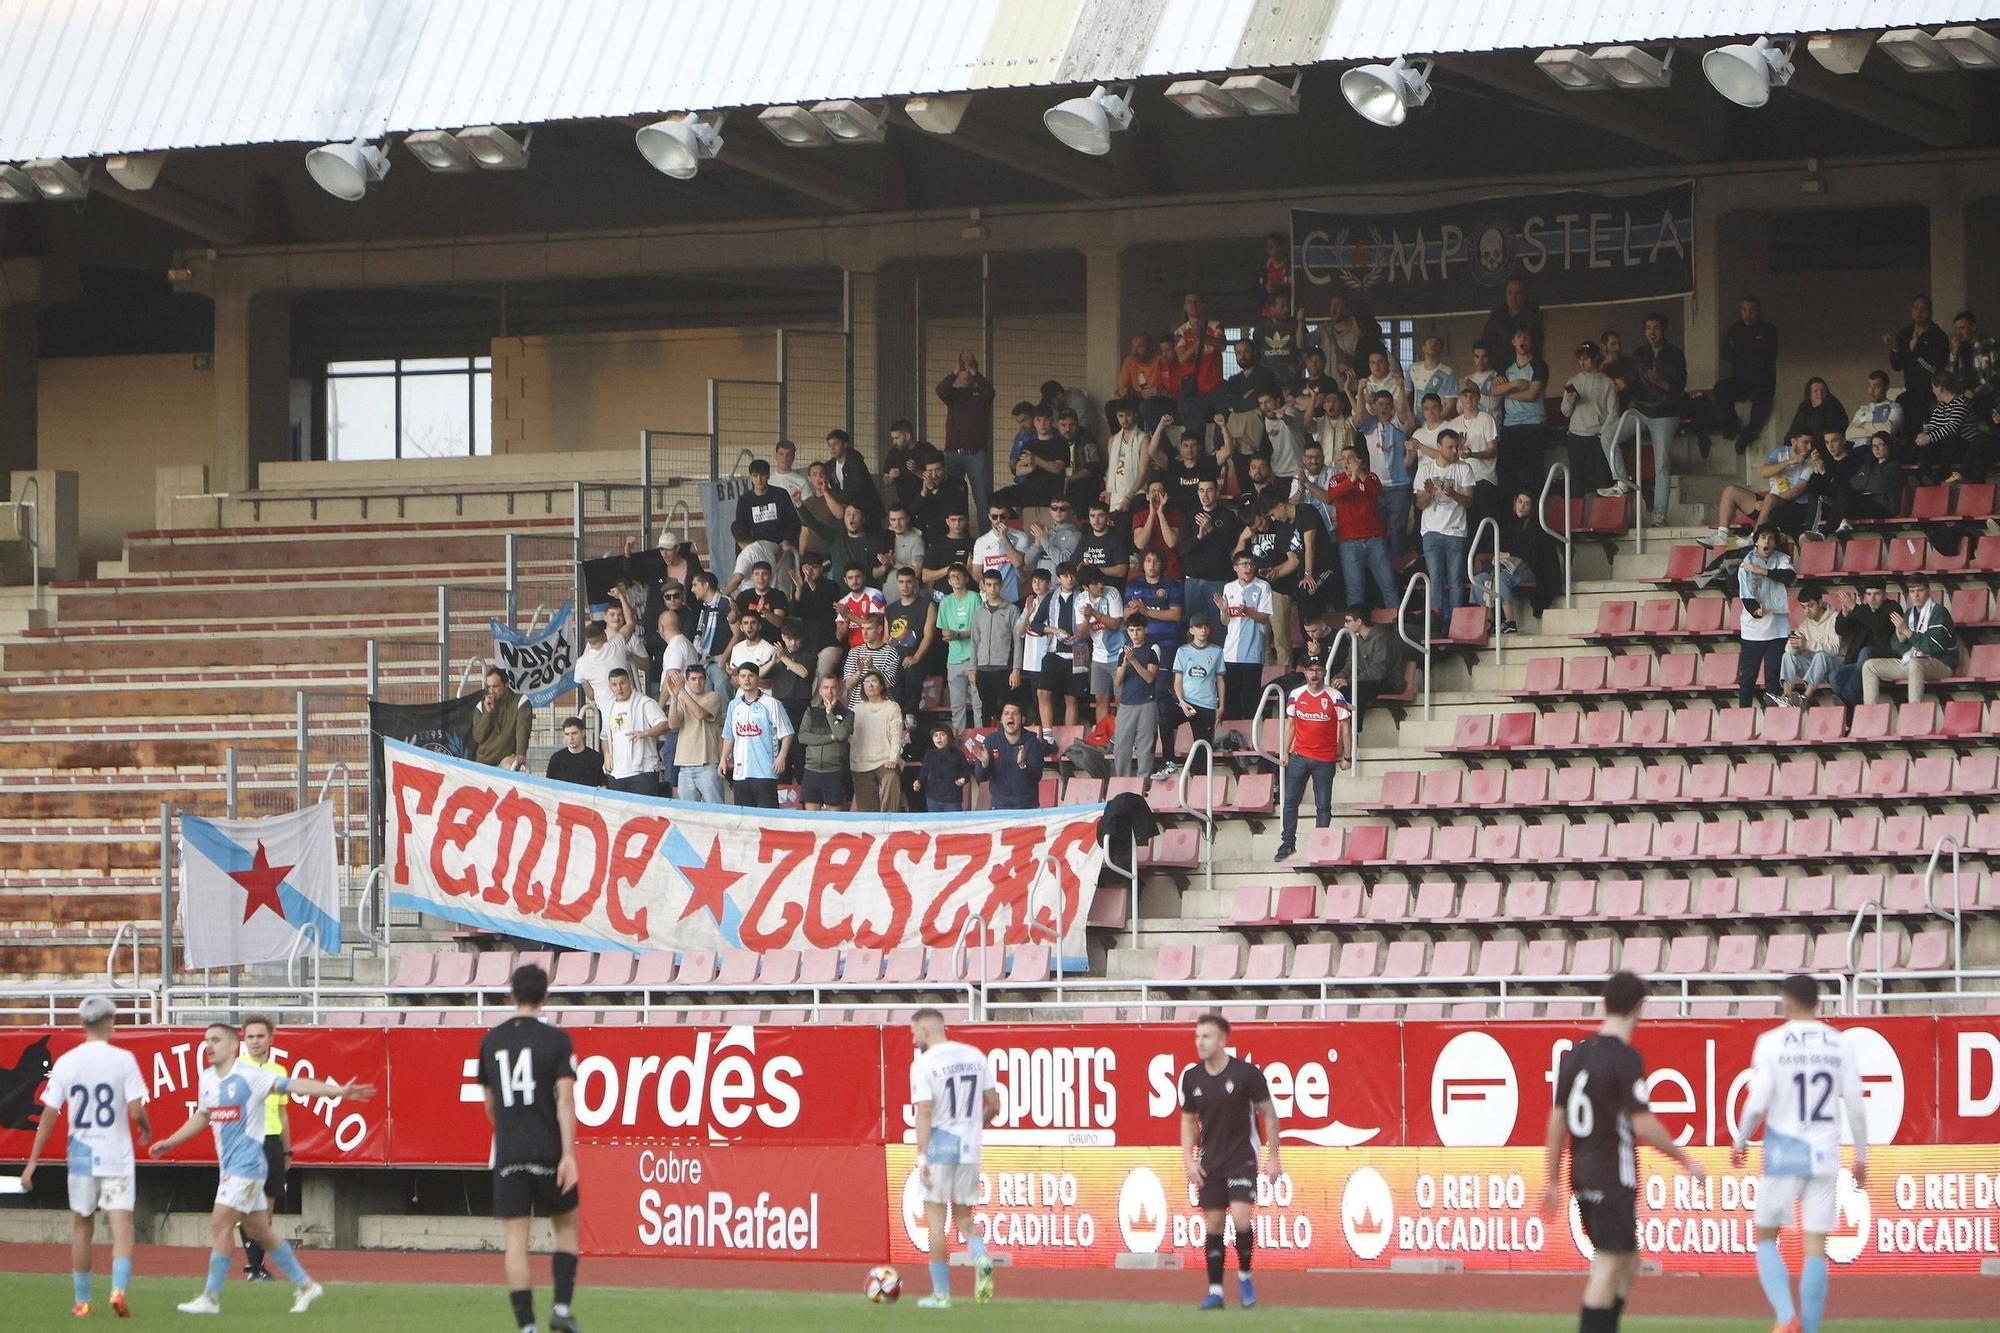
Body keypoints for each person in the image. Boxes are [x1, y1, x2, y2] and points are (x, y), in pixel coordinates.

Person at [147, 1023, 372, 1316]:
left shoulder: (251, 1076)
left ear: (232, 1046)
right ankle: (305, 1285)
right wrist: (171, 1141)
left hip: (248, 1166)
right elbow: (204, 1115)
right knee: (258, 1230)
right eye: (206, 1041)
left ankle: (211, 1297)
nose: (208, 1046)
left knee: (220, 1223)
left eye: (215, 1040)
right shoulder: (207, 1079)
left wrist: (339, 1091)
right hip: (230, 1166)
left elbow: (296, 1084)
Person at [1538, 972, 1705, 1333]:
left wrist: (1551, 1179)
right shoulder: (1625, 1058)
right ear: (1638, 1008)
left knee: (1628, 1261)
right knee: (1609, 1264)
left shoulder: (1576, 1055)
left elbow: (1556, 1121)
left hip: (1581, 1171)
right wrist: (1685, 1158)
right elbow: (1642, 1123)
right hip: (1613, 1173)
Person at [1731, 974, 1868, 1333]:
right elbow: (1854, 1103)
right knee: (1815, 1246)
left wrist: (1741, 1140)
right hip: (1824, 1152)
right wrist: (1862, 1156)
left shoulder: (1771, 1043)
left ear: (1786, 1001)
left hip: (1784, 1153)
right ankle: (1808, 1329)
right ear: (1818, 1004)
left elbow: (1757, 1102)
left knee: (1764, 1235)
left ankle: (1784, 1317)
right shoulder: (1839, 1044)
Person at [20, 995, 149, 1319]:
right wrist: (145, 1128)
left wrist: (33, 1160)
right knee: (122, 1227)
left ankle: (82, 1301)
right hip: (115, 1156)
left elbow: (50, 1113)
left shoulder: (67, 1061)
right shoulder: (123, 1059)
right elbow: (135, 1108)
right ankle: (118, 1291)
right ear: (110, 1022)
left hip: (81, 1155)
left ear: (82, 1023)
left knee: (82, 1228)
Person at [478, 965, 582, 1333]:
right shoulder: (557, 1041)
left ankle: (527, 1327)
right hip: (548, 1150)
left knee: (515, 1243)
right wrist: (568, 1154)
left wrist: (510, 1130)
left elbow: (489, 1104)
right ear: (545, 995)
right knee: (566, 1228)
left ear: (511, 995)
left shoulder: (491, 1041)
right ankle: (563, 1308)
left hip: (508, 1152)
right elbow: (565, 1101)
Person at [1180, 1012, 1279, 1311]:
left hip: (1242, 1157)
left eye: (1206, 1036)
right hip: (1211, 1159)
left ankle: (1245, 1276)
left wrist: (1274, 1156)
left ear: (1222, 1040)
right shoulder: (1192, 1077)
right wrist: (1188, 1158)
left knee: (1239, 1217)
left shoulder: (1247, 1074)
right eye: (1197, 1036)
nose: (1200, 1042)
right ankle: (1215, 1292)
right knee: (1213, 1223)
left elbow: (1269, 1114)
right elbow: (1188, 1120)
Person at [908, 1008, 998, 1309]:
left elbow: (924, 1111)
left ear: (925, 1032)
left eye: (913, 1033)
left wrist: (922, 1158)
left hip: (939, 1148)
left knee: (935, 1220)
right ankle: (981, 1257)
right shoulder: (975, 1055)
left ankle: (941, 1294)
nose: (913, 1039)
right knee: (964, 1217)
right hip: (969, 1149)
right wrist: (974, 1126)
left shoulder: (923, 1064)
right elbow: (994, 1104)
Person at [1273, 659, 1352, 861]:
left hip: (1325, 759)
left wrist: (1347, 756)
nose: (1314, 674)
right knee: (1290, 801)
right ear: (1304, 672)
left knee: (1323, 805)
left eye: (1318, 670)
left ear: (1324, 672)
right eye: (1309, 670)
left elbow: (1345, 727)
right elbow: (1291, 725)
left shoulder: (1336, 697)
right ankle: (1288, 842)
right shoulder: (1295, 695)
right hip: (1299, 756)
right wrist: (1284, 752)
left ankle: (1320, 845)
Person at [234, 1016, 290, 1282]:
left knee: (267, 1207)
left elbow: (282, 1112)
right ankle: (253, 1266)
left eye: (260, 1036)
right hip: (246, 1142)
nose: (255, 1042)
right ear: (243, 1039)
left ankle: (257, 1266)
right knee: (246, 1206)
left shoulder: (278, 1070)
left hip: (271, 1141)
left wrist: (286, 1150)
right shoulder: (235, 1069)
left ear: (271, 1038)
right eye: (250, 1037)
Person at [1616, 312, 1685, 522]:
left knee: (1662, 464)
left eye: (1655, 328)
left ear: (1663, 330)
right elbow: (1632, 382)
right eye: (1648, 328)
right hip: (1642, 411)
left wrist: (1659, 382)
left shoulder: (1675, 354)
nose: (1651, 332)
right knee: (1608, 435)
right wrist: (1620, 386)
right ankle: (1621, 480)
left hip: (1665, 412)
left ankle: (1659, 513)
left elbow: (1679, 388)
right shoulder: (1639, 354)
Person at [1473, 490, 1559, 635]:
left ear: (1532, 507)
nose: (1522, 506)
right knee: (1478, 579)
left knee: (1501, 579)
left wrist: (1510, 555)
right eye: (1520, 502)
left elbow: (1538, 557)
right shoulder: (1509, 525)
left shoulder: (1538, 527)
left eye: (1527, 504)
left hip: (1529, 570)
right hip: (1506, 568)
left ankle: (1510, 621)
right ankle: (1489, 621)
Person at [1413, 429, 1474, 630]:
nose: (1455, 450)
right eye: (1450, 447)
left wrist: (1453, 493)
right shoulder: (1425, 469)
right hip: (1430, 531)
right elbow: (1420, 504)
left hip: (1455, 531)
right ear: (1439, 447)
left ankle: (1456, 623)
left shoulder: (1464, 468)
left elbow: (1469, 502)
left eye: (1456, 446)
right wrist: (1429, 493)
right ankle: (1436, 623)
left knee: (1456, 578)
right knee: (1435, 578)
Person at [1325, 446, 1398, 612]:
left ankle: (1398, 627)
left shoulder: (1371, 476)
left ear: (1360, 461)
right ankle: (1355, 631)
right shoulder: (1336, 479)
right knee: (1355, 590)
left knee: (1389, 586)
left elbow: (1377, 489)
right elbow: (1332, 495)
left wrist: (1360, 474)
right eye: (1343, 458)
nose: (1347, 461)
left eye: (1351, 457)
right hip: (1349, 543)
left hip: (1375, 540)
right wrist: (1352, 479)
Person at [1861, 579, 1957, 705]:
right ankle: (1870, 714)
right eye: (1912, 591)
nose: (1915, 595)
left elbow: (1932, 647)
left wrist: (1908, 633)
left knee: (1915, 664)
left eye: (1920, 591)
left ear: (1928, 591)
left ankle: (1913, 711)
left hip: (1940, 663)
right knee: (1869, 666)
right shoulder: (1909, 614)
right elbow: (1895, 646)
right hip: (1912, 662)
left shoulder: (1939, 612)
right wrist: (1901, 639)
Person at [1486, 328, 1549, 502]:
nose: (1522, 339)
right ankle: (1510, 515)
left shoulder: (1539, 365)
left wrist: (1506, 391)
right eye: (1519, 336)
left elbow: (1531, 395)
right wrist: (1513, 384)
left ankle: (1537, 515)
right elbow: (1493, 390)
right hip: (1510, 426)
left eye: (1526, 336)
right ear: (1513, 341)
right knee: (1507, 473)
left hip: (1533, 424)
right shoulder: (1506, 368)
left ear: (1532, 341)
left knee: (1534, 473)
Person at [719, 664, 793, 808]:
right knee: (745, 819)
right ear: (737, 679)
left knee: (768, 819)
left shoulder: (772, 703)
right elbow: (729, 736)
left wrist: (781, 758)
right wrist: (723, 759)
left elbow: (787, 733)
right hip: (741, 772)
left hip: (765, 771)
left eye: (751, 676)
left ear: (757, 678)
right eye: (743, 676)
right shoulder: (733, 705)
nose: (747, 679)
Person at [1737, 526, 1796, 707]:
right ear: (1756, 541)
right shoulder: (1746, 563)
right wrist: (1756, 611)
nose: (1767, 542)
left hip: (1778, 630)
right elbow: (1745, 595)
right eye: (1763, 538)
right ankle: (1743, 717)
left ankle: (1774, 721)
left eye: (1771, 538)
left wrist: (1763, 571)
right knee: (1748, 678)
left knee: (1773, 679)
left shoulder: (1781, 559)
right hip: (1753, 631)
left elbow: (1789, 576)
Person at [1713, 296, 1780, 454]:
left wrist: (1744, 353)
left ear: (1757, 312)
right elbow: (1725, 352)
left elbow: (1767, 354)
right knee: (1721, 389)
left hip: (1762, 382)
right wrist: (1746, 353)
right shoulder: (1734, 330)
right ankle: (1732, 423)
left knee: (1762, 403)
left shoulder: (1768, 330)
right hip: (1740, 380)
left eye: (1751, 310)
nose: (1748, 314)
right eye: (1744, 310)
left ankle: (1749, 433)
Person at [1027, 563, 1087, 733]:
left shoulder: (1083, 596)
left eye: (1072, 575)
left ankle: (1070, 739)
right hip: (1055, 651)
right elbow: (1035, 625)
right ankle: (1047, 736)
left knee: (1071, 698)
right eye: (1065, 576)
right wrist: (1053, 630)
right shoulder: (1051, 597)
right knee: (1042, 692)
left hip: (1078, 652)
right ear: (1059, 578)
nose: (1070, 579)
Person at [936, 352, 996, 518]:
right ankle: (956, 538)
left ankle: (985, 540)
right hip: (952, 454)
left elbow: (990, 392)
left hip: (977, 454)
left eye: (968, 368)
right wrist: (955, 371)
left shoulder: (980, 394)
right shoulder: (954, 394)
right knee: (953, 496)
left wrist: (975, 371)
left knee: (983, 499)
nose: (965, 372)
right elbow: (940, 390)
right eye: (963, 368)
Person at [728, 458, 799, 593]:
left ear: (768, 475)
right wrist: (742, 554)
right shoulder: (745, 500)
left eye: (762, 475)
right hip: (757, 549)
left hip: (780, 548)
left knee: (783, 582)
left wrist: (787, 540)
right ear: (751, 477)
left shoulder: (780, 494)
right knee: (755, 584)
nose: (759, 480)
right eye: (755, 476)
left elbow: (793, 521)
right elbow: (740, 530)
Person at [1217, 552, 1273, 721]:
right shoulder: (1229, 587)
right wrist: (1224, 610)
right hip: (1230, 653)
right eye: (1243, 564)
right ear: (1236, 568)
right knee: (1231, 700)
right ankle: (1233, 739)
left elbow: (1265, 617)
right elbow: (1225, 622)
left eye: (1250, 564)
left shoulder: (1263, 586)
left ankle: (1252, 741)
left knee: (1251, 700)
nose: (1248, 568)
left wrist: (1247, 611)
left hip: (1253, 653)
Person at [599, 669, 668, 796]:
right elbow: (604, 736)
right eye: (614, 685)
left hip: (643, 771)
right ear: (610, 687)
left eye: (622, 683)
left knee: (643, 814)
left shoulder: (645, 703)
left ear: (629, 682)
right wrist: (607, 754)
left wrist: (645, 733)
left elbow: (664, 724)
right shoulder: (608, 708)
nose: (619, 688)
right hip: (616, 772)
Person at [1170, 615, 1224, 776]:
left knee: (1203, 744)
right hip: (1187, 703)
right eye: (1199, 627)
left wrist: (1221, 706)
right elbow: (1177, 679)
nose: (1203, 630)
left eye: (1206, 626)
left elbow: (1220, 680)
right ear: (1191, 630)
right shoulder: (1183, 651)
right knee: (1164, 720)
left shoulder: (1216, 651)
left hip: (1207, 704)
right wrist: (1181, 701)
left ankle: (1198, 780)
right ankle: (1168, 761)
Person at [1886, 293, 1949, 430]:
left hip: (1932, 392)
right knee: (1901, 405)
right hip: (1911, 390)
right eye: (1915, 309)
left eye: (1923, 309)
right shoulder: (1905, 333)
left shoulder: (1937, 335)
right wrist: (1895, 349)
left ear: (1930, 312)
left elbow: (1935, 367)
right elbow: (1897, 365)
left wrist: (1915, 349)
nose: (1919, 312)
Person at [970, 569, 1022, 728]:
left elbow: (1018, 641)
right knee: (986, 710)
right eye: (989, 585)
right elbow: (974, 641)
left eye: (996, 585)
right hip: (983, 669)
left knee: (1006, 710)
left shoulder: (1011, 610)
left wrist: (1016, 669)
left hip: (1004, 669)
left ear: (1001, 586)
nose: (992, 589)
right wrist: (972, 669)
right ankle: (988, 744)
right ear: (983, 586)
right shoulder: (978, 612)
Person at [1110, 612, 1160, 777]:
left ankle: (1143, 782)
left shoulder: (1153, 648)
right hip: (1126, 704)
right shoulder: (1122, 651)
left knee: (1145, 747)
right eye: (1131, 630)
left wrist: (1133, 661)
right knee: (1121, 747)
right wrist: (1125, 663)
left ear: (1145, 630)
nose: (1135, 634)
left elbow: (1149, 678)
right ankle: (1121, 781)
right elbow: (1117, 681)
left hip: (1146, 702)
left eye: (1138, 630)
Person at [663, 670, 724, 803]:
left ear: (706, 681)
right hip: (684, 765)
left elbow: (700, 714)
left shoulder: (713, 696)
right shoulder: (681, 698)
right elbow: (673, 724)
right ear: (687, 680)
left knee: (716, 811)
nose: (697, 682)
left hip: (707, 764)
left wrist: (682, 692)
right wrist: (673, 698)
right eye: (693, 679)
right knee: (688, 813)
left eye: (701, 678)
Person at [849, 670, 905, 812]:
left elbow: (896, 735)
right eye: (866, 683)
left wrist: (893, 758)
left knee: (891, 778)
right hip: (860, 762)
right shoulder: (856, 709)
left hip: (885, 760)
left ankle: (890, 819)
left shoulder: (891, 706)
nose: (870, 685)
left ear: (881, 686)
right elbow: (848, 734)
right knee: (867, 811)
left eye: (874, 682)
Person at [1077, 565, 1127, 722]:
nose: (1100, 585)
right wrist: (1086, 618)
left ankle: (1121, 738)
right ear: (1086, 587)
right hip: (1098, 657)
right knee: (1100, 700)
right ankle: (1102, 740)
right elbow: (1081, 635)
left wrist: (1095, 614)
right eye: (1095, 583)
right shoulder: (1080, 600)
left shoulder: (1112, 593)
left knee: (1121, 700)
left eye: (1101, 581)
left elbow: (1115, 624)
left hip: (1120, 654)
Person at [797, 675, 854, 810]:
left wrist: (829, 713)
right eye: (826, 687)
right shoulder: (811, 711)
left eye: (833, 687)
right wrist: (830, 738)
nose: (829, 691)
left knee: (834, 819)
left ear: (839, 690)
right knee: (811, 818)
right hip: (812, 770)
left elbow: (841, 734)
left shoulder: (848, 714)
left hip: (835, 771)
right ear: (820, 691)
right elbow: (803, 737)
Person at [1777, 586, 1840, 707]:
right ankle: (1787, 697)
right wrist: (1794, 643)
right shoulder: (1805, 624)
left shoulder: (1835, 618)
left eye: (1810, 606)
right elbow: (1788, 650)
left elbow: (1835, 649)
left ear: (1820, 602)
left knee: (1820, 655)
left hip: (1834, 668)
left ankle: (1805, 697)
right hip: (1814, 670)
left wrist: (1807, 644)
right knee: (1787, 656)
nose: (1807, 611)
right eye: (1803, 607)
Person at [976, 702, 1046, 810]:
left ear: (1022, 719)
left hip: (1027, 806)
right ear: (1001, 720)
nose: (1010, 716)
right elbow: (980, 777)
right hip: (999, 806)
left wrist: (1023, 765)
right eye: (1006, 713)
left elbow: (1037, 776)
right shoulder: (991, 741)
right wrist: (984, 764)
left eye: (1015, 713)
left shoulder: (1032, 742)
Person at [473, 667, 533, 771]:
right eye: (488, 687)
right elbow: (478, 737)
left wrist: (520, 753)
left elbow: (523, 729)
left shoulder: (520, 701)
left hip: (506, 760)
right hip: (483, 762)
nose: (491, 691)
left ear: (506, 685)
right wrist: (488, 713)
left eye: (495, 687)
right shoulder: (481, 706)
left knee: (511, 766)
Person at [973, 504, 1031, 604]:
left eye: (1002, 516)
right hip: (990, 599)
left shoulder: (1021, 537)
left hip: (1014, 597)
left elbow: (1018, 563)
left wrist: (1004, 538)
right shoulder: (981, 541)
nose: (998, 520)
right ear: (989, 517)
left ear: (1008, 516)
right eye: (995, 517)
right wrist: (982, 582)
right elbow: (976, 572)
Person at [919, 723, 973, 812]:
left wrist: (963, 779)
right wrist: (919, 781)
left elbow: (966, 771)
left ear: (949, 737)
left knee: (953, 824)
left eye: (942, 735)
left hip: (952, 799)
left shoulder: (958, 754)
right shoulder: (929, 755)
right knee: (935, 824)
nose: (939, 738)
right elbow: (924, 772)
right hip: (933, 798)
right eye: (935, 735)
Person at [1481, 276, 1544, 352]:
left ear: (1524, 295)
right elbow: (1486, 340)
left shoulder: (1532, 315)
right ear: (1505, 294)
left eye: (1517, 293)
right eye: (1510, 293)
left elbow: (1535, 344)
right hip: (1500, 360)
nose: (1513, 297)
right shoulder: (1497, 314)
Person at [1844, 370, 1903, 445]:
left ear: (1886, 388)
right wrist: (1877, 430)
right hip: (1859, 450)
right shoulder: (1863, 410)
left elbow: (1889, 430)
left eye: (1877, 387)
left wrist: (1864, 425)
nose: (1871, 391)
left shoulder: (1895, 408)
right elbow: (1849, 434)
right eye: (1869, 386)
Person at [1783, 377, 1848, 445]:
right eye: (1815, 391)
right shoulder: (1804, 406)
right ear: (1809, 394)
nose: (1819, 393)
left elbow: (1831, 432)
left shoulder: (1833, 405)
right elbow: (1795, 428)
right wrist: (1787, 443)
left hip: (1827, 445)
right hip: (1807, 444)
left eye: (1823, 390)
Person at [544, 717, 604, 787]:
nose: (571, 738)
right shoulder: (556, 758)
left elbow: (603, 785)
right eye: (567, 734)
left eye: (574, 733)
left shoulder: (596, 758)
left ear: (583, 733)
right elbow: (548, 786)